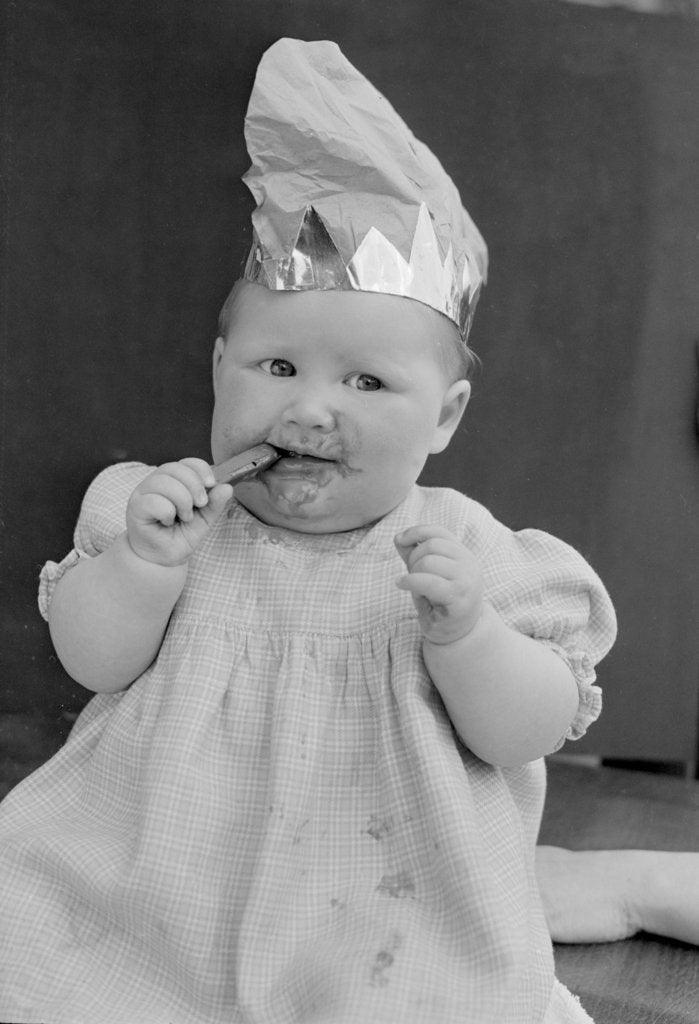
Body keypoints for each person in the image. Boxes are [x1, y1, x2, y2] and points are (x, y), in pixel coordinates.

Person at [0, 37, 693, 1024]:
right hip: (158, 895)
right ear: (219, 368)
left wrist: (469, 637)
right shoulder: (160, 509)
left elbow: (527, 727)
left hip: (383, 909)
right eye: (278, 368)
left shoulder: (471, 557)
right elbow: (91, 658)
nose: (312, 408)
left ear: (444, 418)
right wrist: (146, 567)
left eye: (367, 382)